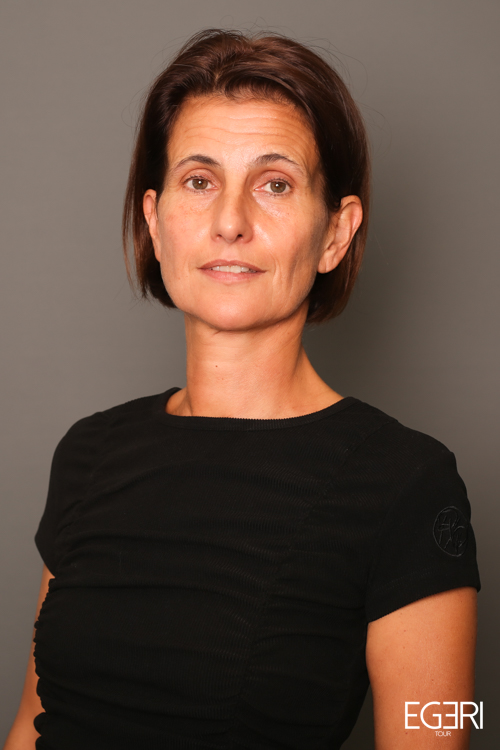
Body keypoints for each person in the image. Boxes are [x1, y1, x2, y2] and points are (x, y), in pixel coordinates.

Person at [4, 29, 480, 750]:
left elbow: (442, 722)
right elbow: (31, 725)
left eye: (275, 184)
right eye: (199, 181)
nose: (230, 222)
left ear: (336, 233)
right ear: (154, 221)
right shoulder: (89, 451)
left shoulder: (407, 482)